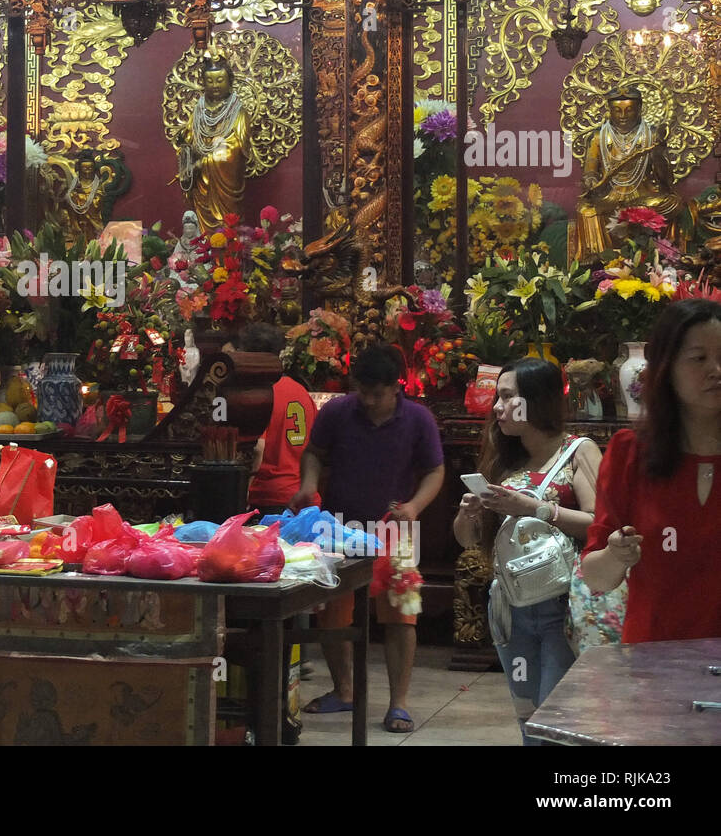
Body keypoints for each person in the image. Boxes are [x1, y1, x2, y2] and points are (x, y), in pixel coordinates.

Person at [290, 344, 444, 733]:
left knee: (400, 617)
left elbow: (435, 471)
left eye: (379, 394)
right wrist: (308, 485)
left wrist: (414, 506)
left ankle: (399, 704)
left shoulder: (418, 419)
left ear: (397, 387)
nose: (371, 401)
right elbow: (314, 453)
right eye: (364, 392)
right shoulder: (337, 412)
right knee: (330, 615)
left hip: (394, 529)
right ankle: (345, 691)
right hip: (337, 529)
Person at [451, 358, 604, 745]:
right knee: (528, 719)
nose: (498, 407)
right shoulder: (506, 459)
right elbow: (468, 540)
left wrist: (535, 508)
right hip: (510, 607)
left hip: (562, 605)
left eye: (508, 397)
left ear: (535, 400)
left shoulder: (578, 451)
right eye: (497, 398)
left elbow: (601, 524)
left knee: (557, 721)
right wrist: (468, 514)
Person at [582, 298, 721, 642]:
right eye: (699, 358)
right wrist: (616, 555)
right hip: (654, 659)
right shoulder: (631, 453)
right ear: (666, 368)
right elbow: (596, 577)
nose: (717, 369)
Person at [571, 86, 691, 260]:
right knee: (585, 210)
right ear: (609, 111)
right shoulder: (599, 137)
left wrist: (658, 157)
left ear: (640, 109)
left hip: (643, 194)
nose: (623, 116)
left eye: (629, 110)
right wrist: (591, 180)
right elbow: (590, 169)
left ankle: (662, 256)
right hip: (611, 196)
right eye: (617, 111)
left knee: (673, 203)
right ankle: (599, 258)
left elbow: (666, 179)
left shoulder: (651, 135)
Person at [224, 322, 317, 512]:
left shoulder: (256, 394)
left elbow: (258, 447)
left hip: (268, 498)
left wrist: (245, 493)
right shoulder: (301, 391)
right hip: (303, 496)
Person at [175, 53, 252, 235]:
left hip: (224, 179)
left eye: (220, 80)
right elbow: (190, 138)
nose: (215, 85)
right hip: (201, 181)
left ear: (230, 81)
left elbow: (235, 148)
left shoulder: (239, 113)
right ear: (203, 83)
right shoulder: (198, 111)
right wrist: (186, 150)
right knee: (203, 226)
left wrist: (205, 161)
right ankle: (205, 255)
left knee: (228, 225)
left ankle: (230, 256)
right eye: (210, 81)